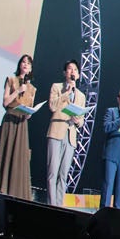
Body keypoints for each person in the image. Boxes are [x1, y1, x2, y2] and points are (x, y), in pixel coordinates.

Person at [0, 54, 35, 200]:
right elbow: (5, 102)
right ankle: (1, 187)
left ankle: (15, 192)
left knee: (19, 157)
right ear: (19, 64)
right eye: (23, 62)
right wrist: (17, 91)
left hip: (22, 124)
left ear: (31, 69)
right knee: (6, 153)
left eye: (28, 63)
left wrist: (29, 113)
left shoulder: (32, 89)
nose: (25, 64)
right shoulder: (11, 80)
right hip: (10, 121)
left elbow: (29, 112)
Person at [45, 59, 85, 206]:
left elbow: (82, 121)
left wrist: (77, 120)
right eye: (69, 69)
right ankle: (51, 205)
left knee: (63, 174)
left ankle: (59, 205)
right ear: (65, 73)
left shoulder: (81, 96)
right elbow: (52, 106)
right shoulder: (57, 87)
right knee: (52, 172)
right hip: (56, 131)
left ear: (78, 75)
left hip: (70, 136)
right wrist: (66, 93)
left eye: (75, 69)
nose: (72, 71)